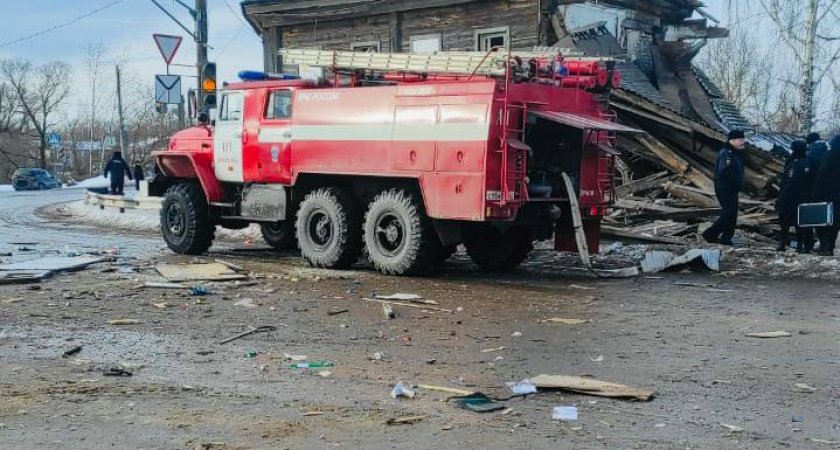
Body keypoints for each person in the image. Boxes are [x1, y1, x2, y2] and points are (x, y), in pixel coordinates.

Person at [702, 130, 746, 246]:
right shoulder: (726, 153)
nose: (743, 142)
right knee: (728, 212)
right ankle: (710, 234)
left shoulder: (734, 153)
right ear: (733, 140)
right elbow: (725, 171)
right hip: (725, 188)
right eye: (741, 140)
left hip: (731, 188)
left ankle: (726, 239)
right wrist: (736, 182)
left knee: (732, 214)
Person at [776, 140, 811, 252]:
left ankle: (794, 245)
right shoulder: (803, 162)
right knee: (794, 222)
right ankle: (791, 245)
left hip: (793, 197)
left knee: (792, 222)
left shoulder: (798, 163)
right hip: (796, 197)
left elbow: (789, 181)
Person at [812, 135, 840, 255]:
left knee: (823, 221)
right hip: (836, 196)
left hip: (824, 195)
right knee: (835, 223)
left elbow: (821, 178)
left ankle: (825, 246)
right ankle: (830, 246)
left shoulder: (828, 157)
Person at [802, 132, 829, 252]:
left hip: (812, 192)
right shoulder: (829, 153)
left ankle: (808, 245)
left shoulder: (810, 155)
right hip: (828, 192)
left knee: (810, 218)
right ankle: (825, 245)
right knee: (826, 219)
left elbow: (806, 175)